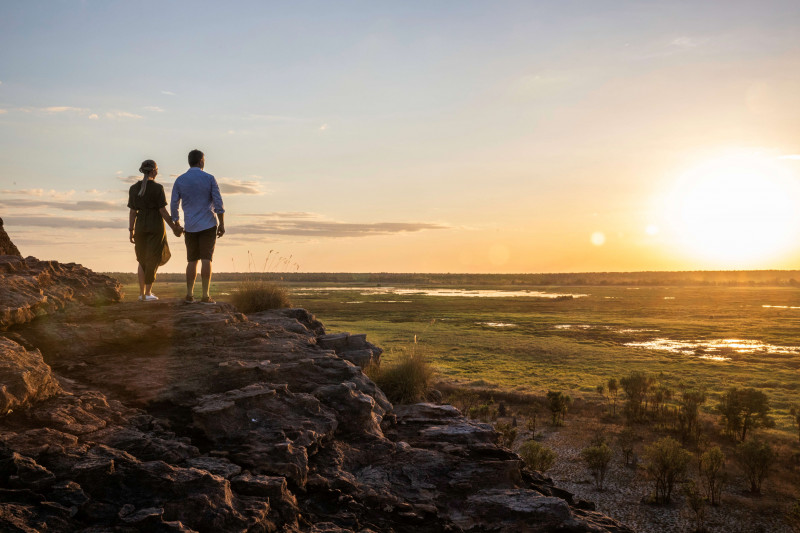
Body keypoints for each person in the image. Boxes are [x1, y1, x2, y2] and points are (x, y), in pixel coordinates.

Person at [170, 149, 225, 303]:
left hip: (190, 225)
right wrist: (221, 223)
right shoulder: (209, 178)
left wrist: (176, 222)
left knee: (192, 260)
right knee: (207, 258)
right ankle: (206, 295)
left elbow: (174, 203)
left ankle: (189, 294)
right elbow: (218, 202)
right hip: (208, 224)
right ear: (201, 161)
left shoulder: (180, 180)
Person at [128, 159, 183, 301]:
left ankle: (141, 294)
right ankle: (147, 293)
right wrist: (174, 228)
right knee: (152, 258)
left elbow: (133, 212)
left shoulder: (134, 188)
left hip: (140, 225)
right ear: (153, 171)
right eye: (157, 169)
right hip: (155, 226)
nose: (157, 172)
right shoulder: (158, 188)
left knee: (141, 260)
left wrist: (131, 230)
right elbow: (163, 211)